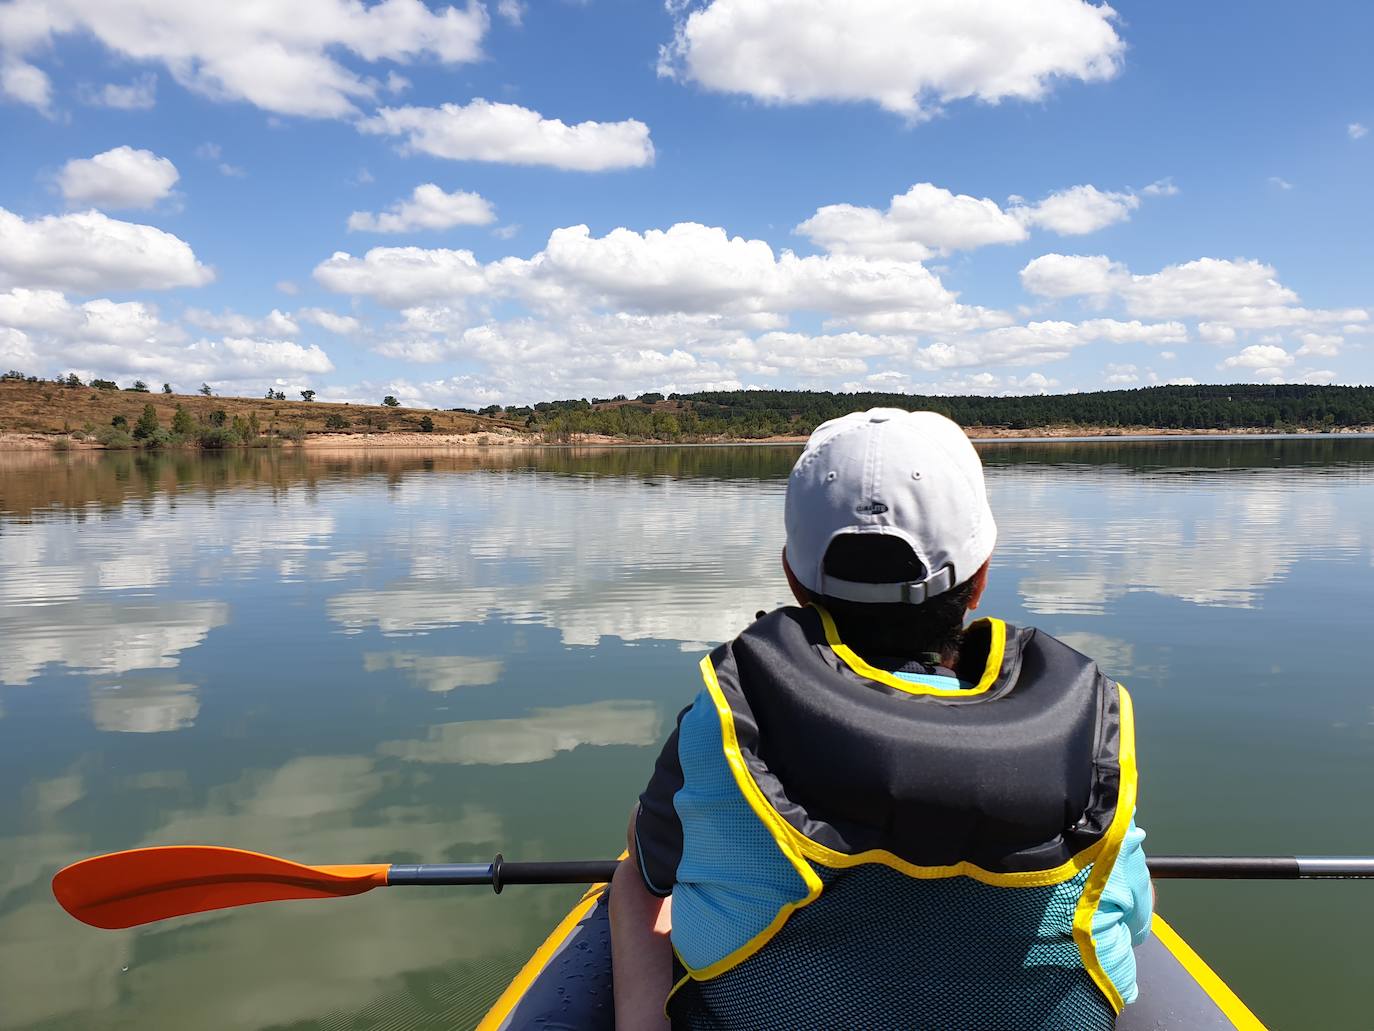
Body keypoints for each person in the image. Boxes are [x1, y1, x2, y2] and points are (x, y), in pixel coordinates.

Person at [610, 408, 1152, 1030]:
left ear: (793, 577)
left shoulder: (728, 718)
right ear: (978, 581)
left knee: (635, 876)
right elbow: (1136, 921)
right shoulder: (1088, 729)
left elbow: (657, 871)